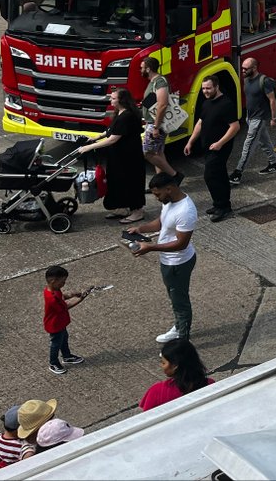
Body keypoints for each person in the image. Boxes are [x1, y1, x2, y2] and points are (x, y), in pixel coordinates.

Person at [128, 173, 198, 343]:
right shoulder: (169, 202)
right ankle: (179, 327)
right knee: (175, 299)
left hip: (178, 263)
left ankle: (183, 341)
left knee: (180, 303)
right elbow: (161, 222)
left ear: (169, 188)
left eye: (158, 194)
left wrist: (151, 247)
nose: (157, 198)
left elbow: (181, 243)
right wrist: (140, 229)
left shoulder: (186, 211)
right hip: (168, 261)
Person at [78, 88, 145, 223]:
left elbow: (113, 138)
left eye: (113, 98)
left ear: (121, 100)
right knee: (117, 181)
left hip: (129, 158)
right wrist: (97, 136)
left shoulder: (127, 116)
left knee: (130, 182)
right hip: (119, 157)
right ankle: (123, 208)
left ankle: (137, 211)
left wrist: (89, 147)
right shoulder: (120, 113)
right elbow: (110, 130)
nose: (110, 100)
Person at [183, 76, 240, 223]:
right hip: (208, 147)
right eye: (203, 88)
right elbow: (200, 123)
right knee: (219, 175)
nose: (205, 91)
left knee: (210, 175)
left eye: (208, 88)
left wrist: (220, 143)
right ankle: (220, 204)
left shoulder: (226, 104)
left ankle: (223, 207)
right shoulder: (207, 102)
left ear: (216, 87)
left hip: (220, 148)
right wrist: (190, 142)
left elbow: (235, 127)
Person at [230, 58, 276, 185]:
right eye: (242, 68)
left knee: (248, 145)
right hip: (249, 117)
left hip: (258, 119)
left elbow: (272, 100)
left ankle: (238, 173)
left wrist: (273, 118)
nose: (243, 71)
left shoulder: (265, 81)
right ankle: (274, 163)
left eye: (245, 69)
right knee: (264, 141)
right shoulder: (246, 79)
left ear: (254, 68)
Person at [139, 57, 183, 185]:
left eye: (142, 68)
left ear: (148, 68)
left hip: (156, 124)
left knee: (148, 153)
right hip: (152, 123)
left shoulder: (159, 82)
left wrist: (156, 127)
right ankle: (161, 182)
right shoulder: (153, 82)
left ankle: (175, 175)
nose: (140, 70)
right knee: (158, 152)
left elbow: (162, 104)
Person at [139, 339, 213, 410]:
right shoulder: (210, 385)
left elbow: (146, 417)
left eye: (163, 362)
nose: (161, 366)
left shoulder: (157, 391)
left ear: (174, 366)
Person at [43, 265, 89, 375]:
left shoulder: (53, 290)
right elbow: (66, 305)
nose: (64, 284)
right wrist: (81, 298)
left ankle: (67, 356)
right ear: (54, 281)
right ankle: (53, 362)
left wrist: (72, 294)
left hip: (60, 323)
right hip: (55, 325)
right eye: (62, 282)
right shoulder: (52, 299)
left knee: (63, 339)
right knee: (56, 344)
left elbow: (62, 297)